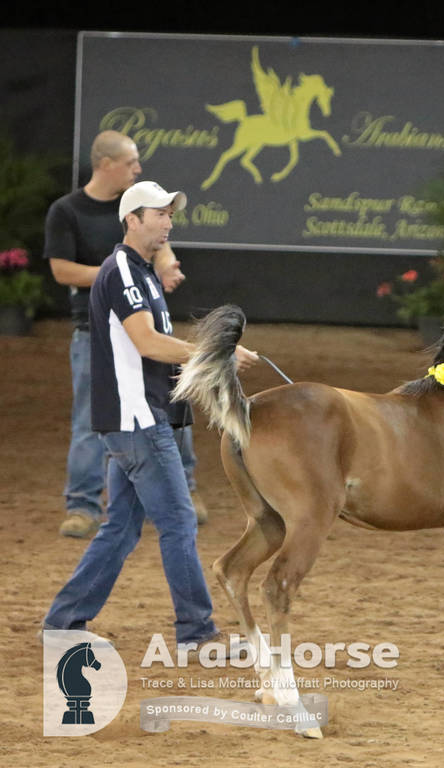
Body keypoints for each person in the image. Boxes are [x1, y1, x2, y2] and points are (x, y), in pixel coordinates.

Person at [42, 181, 259, 649]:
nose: (168, 222)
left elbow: (152, 346)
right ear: (132, 220)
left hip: (135, 420)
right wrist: (216, 353)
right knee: (178, 521)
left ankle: (62, 623)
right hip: (138, 421)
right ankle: (196, 632)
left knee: (120, 529)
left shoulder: (139, 273)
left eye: (170, 215)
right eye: (159, 214)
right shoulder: (123, 270)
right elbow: (148, 343)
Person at [44, 130, 207, 537]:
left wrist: (164, 263)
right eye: (131, 162)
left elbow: (159, 245)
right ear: (105, 164)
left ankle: (183, 488)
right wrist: (119, 274)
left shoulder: (138, 206)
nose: (137, 169)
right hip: (95, 332)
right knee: (91, 418)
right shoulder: (67, 211)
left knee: (171, 402)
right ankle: (82, 504)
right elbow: (61, 270)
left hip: (142, 322)